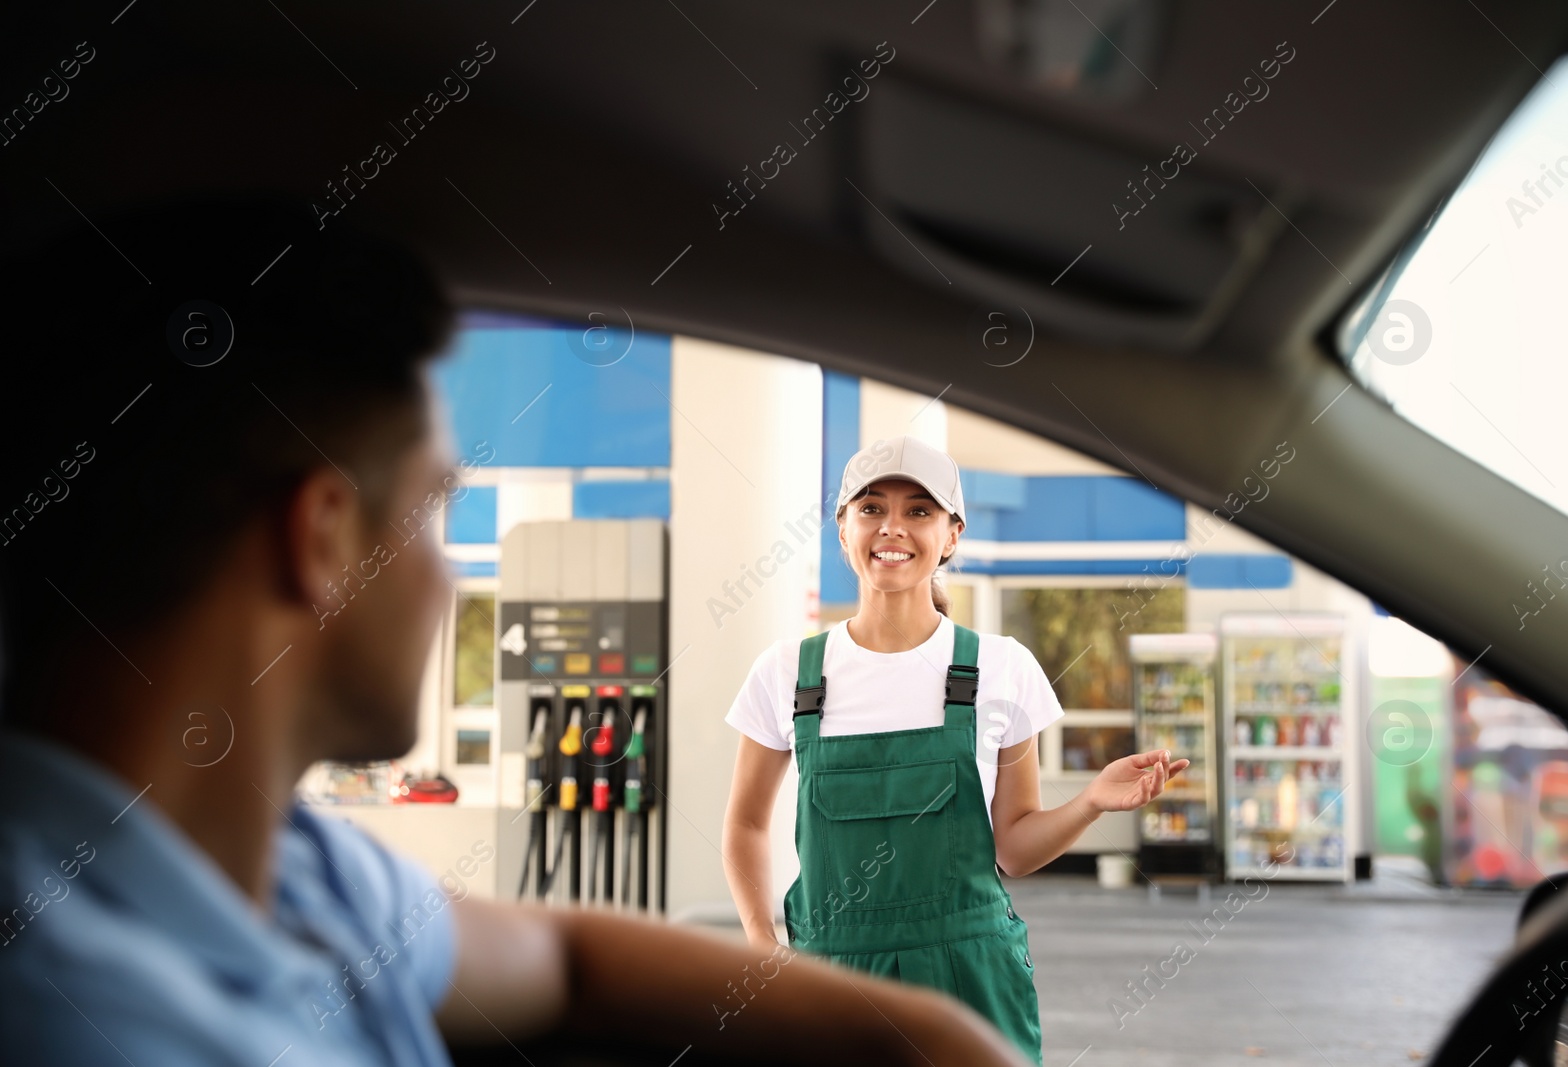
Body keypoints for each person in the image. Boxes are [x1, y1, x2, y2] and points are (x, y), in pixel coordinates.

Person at [0, 197, 1032, 1067]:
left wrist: (931, 1036)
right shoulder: (88, 1012)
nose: (449, 579)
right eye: (434, 513)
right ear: (320, 536)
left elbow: (564, 951)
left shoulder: (306, 872)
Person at [722, 436, 1189, 1064]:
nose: (893, 527)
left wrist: (1091, 802)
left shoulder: (1001, 668)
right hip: (829, 973)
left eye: (920, 511)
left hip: (970, 974)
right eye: (870, 508)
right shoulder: (790, 674)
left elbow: (1015, 849)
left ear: (952, 535)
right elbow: (746, 822)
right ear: (842, 528)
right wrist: (761, 942)